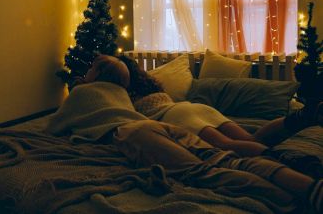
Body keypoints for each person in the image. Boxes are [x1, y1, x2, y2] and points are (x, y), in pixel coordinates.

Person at [46, 55, 322, 213]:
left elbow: (56, 126)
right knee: (245, 145)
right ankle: (295, 164)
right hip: (191, 108)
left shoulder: (104, 95)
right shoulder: (137, 87)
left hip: (169, 120)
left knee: (217, 160)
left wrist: (81, 85)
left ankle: (291, 199)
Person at [116, 55, 323, 159]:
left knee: (226, 146)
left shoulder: (122, 93)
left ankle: (280, 161)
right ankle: (302, 116)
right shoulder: (149, 84)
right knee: (252, 139)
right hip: (195, 107)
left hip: (176, 116)